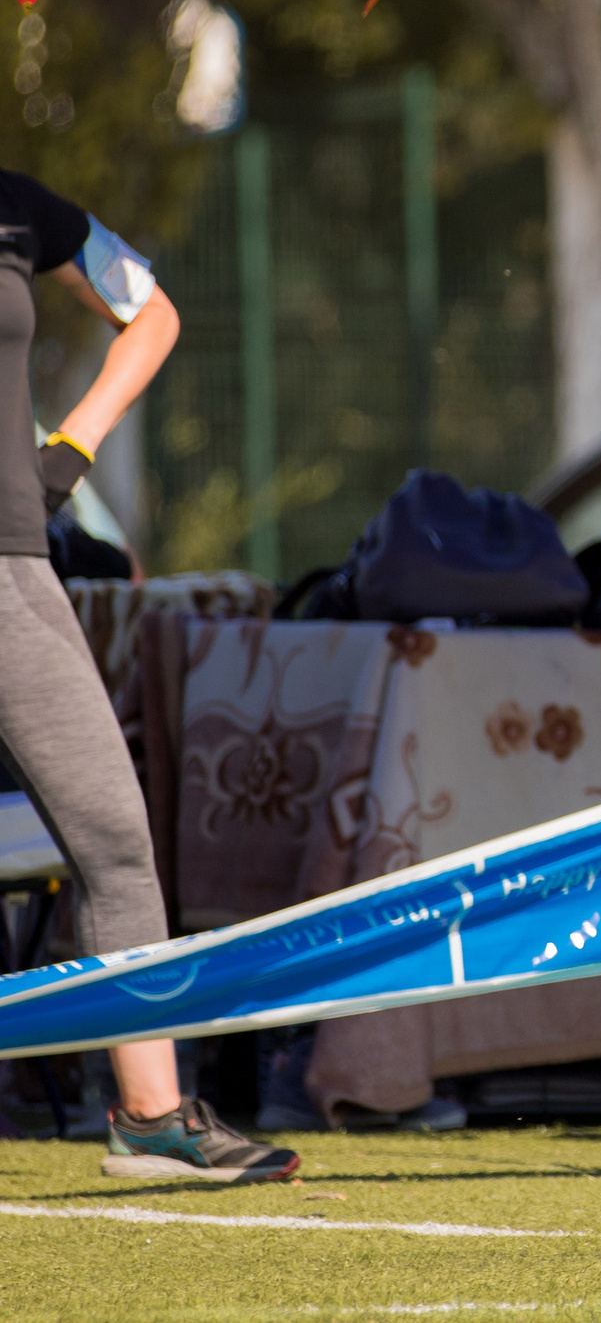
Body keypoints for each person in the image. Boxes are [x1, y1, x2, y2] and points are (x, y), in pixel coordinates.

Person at [0, 169, 299, 1180]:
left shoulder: (21, 208)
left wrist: (68, 453)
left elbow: (153, 312)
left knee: (115, 838)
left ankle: (152, 1118)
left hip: (15, 572)